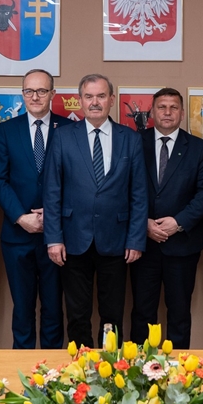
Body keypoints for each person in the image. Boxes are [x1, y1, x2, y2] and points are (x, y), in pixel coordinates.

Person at [43, 74, 147, 347]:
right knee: (77, 314)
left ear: (111, 99)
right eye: (88, 97)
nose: (95, 102)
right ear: (80, 101)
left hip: (116, 240)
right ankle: (80, 367)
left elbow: (138, 194)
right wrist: (53, 238)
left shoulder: (130, 139)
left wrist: (136, 239)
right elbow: (52, 192)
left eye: (101, 96)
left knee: (112, 314)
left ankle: (111, 367)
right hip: (73, 239)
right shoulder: (63, 137)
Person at [0, 69, 71, 349]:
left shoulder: (68, 129)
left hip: (56, 236)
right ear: (22, 94)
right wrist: (21, 217)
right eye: (29, 91)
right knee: (22, 310)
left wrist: (53, 214)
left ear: (53, 94)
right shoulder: (7, 130)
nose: (35, 97)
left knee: (53, 310)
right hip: (17, 236)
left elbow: (76, 180)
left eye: (41, 91)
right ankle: (22, 371)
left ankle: (53, 372)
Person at [129, 88, 203, 349]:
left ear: (182, 113)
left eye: (173, 107)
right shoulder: (134, 142)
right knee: (142, 312)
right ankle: (139, 368)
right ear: (152, 112)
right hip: (143, 244)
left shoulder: (199, 148)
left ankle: (178, 372)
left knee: (179, 313)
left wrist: (178, 222)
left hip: (182, 245)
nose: (167, 112)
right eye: (162, 107)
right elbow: (122, 188)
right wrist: (143, 222)